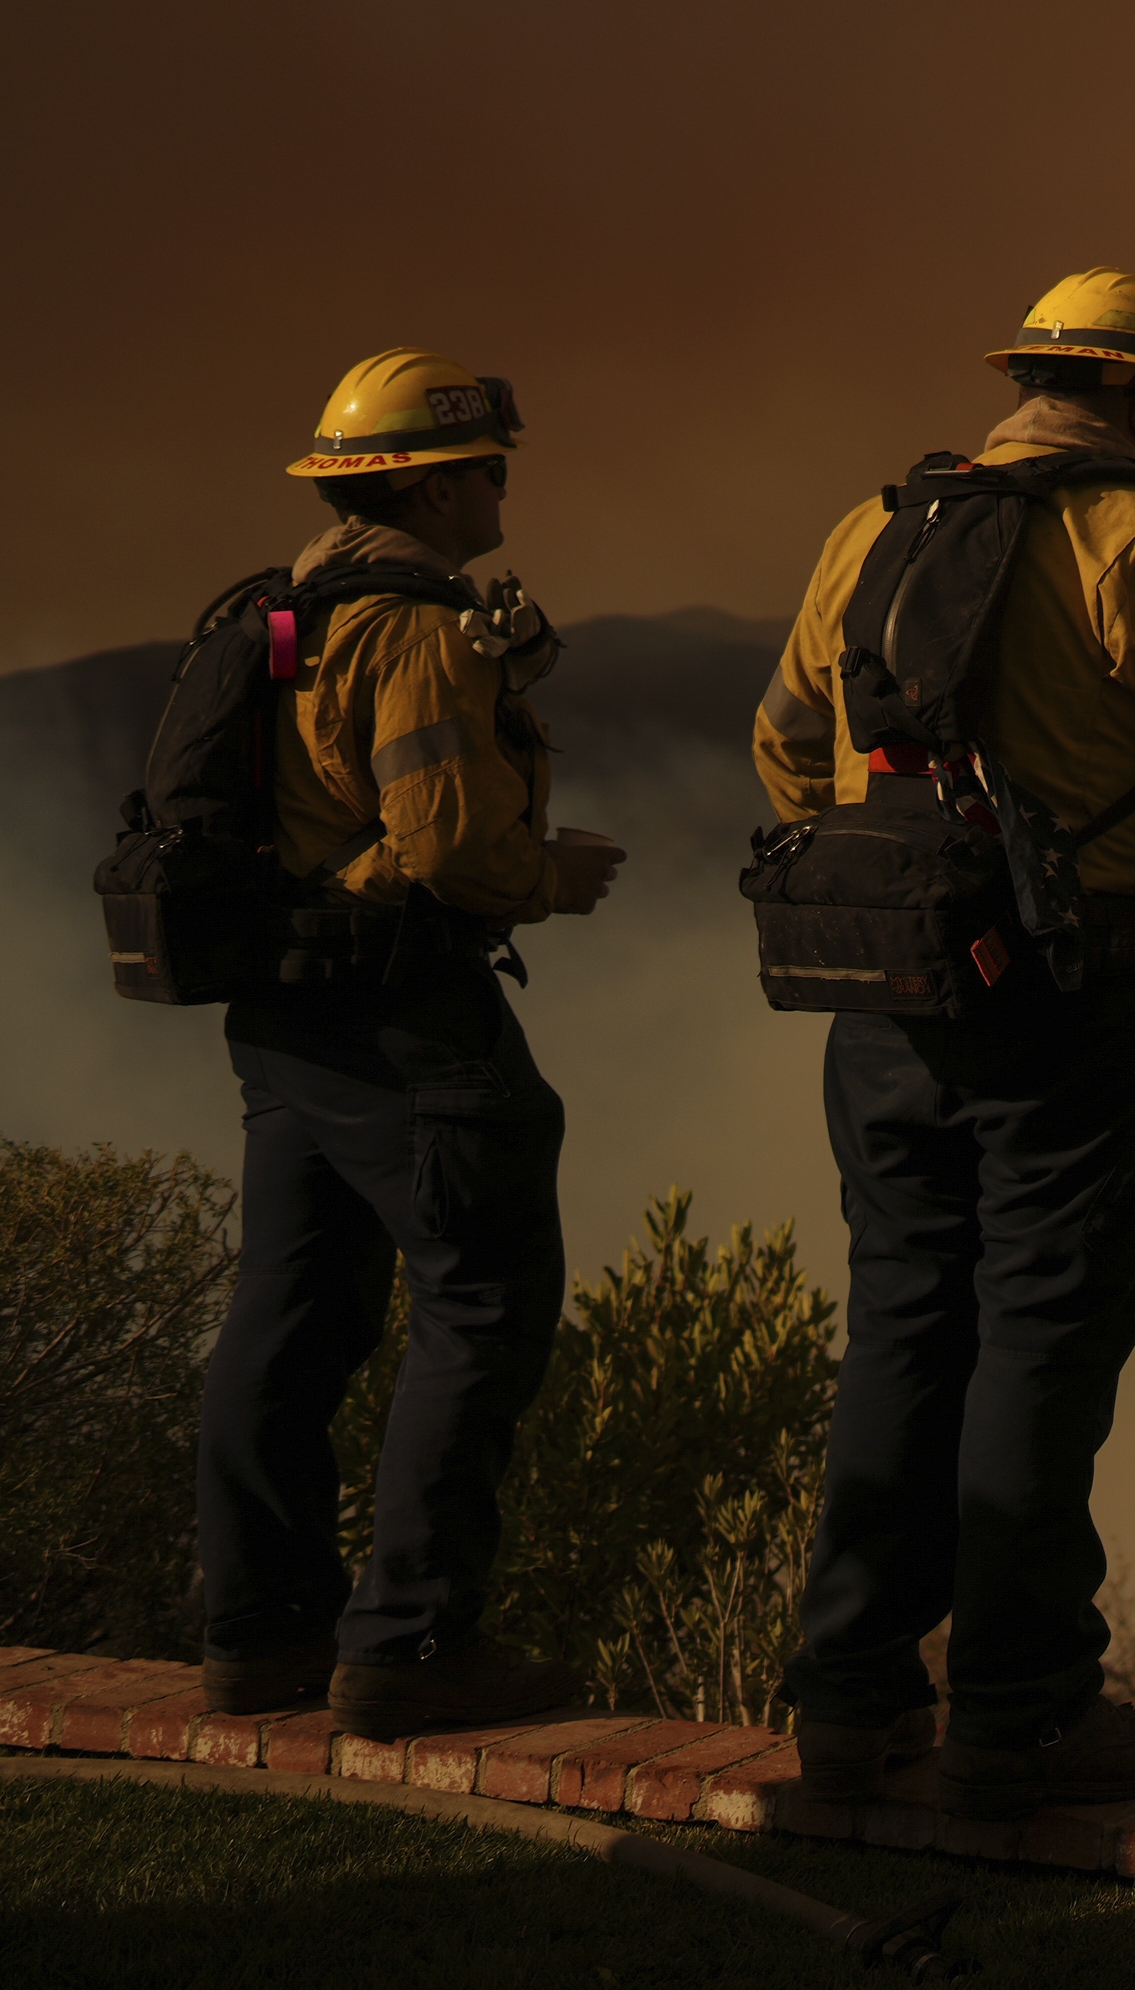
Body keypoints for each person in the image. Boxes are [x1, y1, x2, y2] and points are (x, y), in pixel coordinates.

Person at [755, 268, 1135, 1819]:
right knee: (1043, 1337)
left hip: (886, 1008)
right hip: (1078, 1002)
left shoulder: (873, 531)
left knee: (903, 1320)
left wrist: (882, 889)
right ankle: (1020, 1707)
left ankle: (849, 1698)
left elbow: (791, 735)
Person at [195, 351, 621, 1737]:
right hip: (402, 1016)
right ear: (434, 484)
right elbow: (440, 842)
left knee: (290, 1318)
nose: (504, 484)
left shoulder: (283, 613)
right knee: (484, 1303)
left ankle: (257, 1640)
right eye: (492, 463)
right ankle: (411, 1646)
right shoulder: (414, 626)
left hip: (286, 1021)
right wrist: (545, 876)